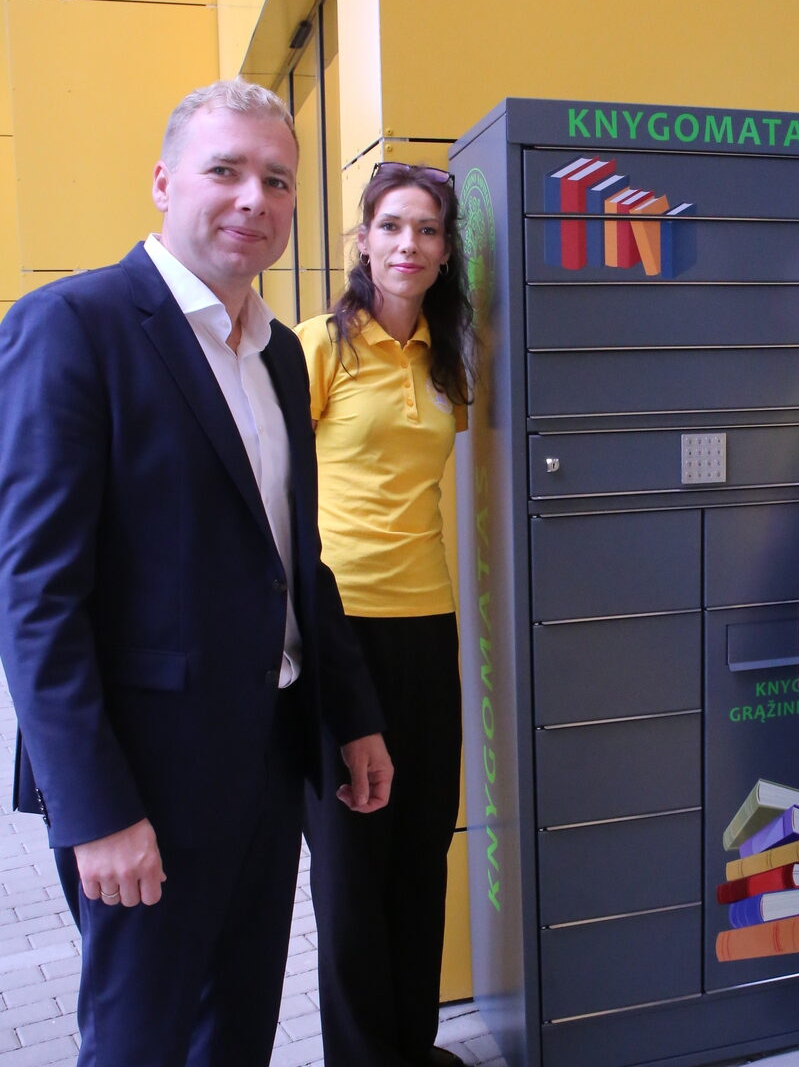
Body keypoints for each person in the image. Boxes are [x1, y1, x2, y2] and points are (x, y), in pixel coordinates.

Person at [0, 80, 393, 1067]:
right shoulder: (73, 325)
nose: (254, 197)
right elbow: (36, 600)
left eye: (278, 179)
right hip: (145, 780)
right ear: (165, 181)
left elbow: (295, 561)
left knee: (238, 1033)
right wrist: (96, 810)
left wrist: (351, 717)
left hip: (268, 759)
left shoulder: (278, 355)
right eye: (226, 170)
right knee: (141, 1042)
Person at [295, 160, 472, 1067]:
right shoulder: (316, 348)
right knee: (353, 862)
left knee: (421, 842)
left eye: (428, 229)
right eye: (393, 226)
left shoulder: (446, 359)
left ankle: (414, 1044)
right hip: (340, 627)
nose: (410, 244)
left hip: (428, 622)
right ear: (363, 240)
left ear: (445, 251)